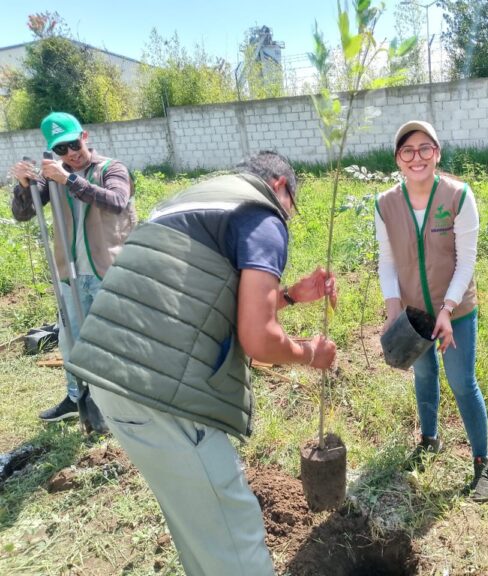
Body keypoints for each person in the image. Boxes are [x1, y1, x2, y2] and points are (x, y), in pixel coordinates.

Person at [65, 151, 337, 576]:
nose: (287, 216)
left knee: (199, 531)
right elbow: (258, 339)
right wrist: (310, 355)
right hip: (161, 390)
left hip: (112, 377)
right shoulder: (262, 213)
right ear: (281, 185)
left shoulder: (193, 198)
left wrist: (290, 296)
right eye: (292, 206)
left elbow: (200, 302)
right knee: (234, 534)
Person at [376, 120, 488, 502]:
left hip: (456, 311)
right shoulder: (385, 204)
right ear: (398, 159)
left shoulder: (459, 196)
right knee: (423, 375)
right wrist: (394, 311)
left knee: (463, 383)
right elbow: (387, 261)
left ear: (437, 154)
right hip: (413, 315)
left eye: (425, 149)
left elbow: (467, 261)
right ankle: (429, 441)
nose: (417, 157)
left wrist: (447, 308)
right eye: (408, 151)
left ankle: (483, 462)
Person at [10, 112, 137, 423]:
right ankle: (76, 397)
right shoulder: (54, 178)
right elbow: (24, 214)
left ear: (85, 136)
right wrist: (23, 186)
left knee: (115, 339)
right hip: (70, 273)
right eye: (60, 150)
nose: (70, 154)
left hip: (108, 271)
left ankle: (126, 402)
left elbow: (118, 201)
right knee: (72, 341)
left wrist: (69, 179)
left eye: (72, 144)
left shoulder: (110, 168)